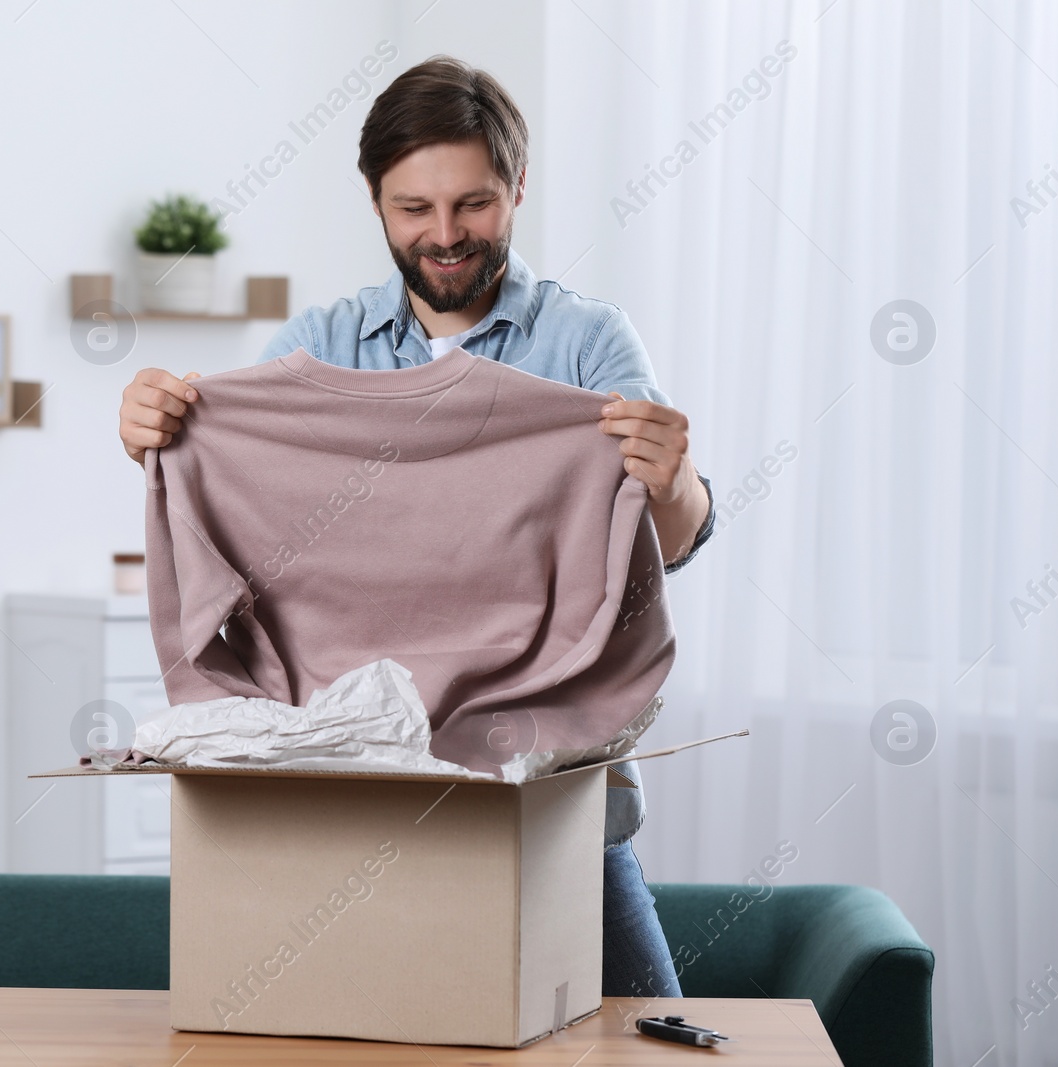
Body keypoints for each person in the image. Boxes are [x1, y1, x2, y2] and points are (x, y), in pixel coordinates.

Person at [116, 55, 715, 999]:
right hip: (346, 814)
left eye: (473, 204)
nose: (444, 236)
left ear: (519, 188)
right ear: (374, 199)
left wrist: (674, 478)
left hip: (551, 810)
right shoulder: (316, 346)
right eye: (414, 209)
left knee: (647, 1041)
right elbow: (229, 499)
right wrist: (160, 440)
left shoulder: (589, 343)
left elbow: (666, 544)